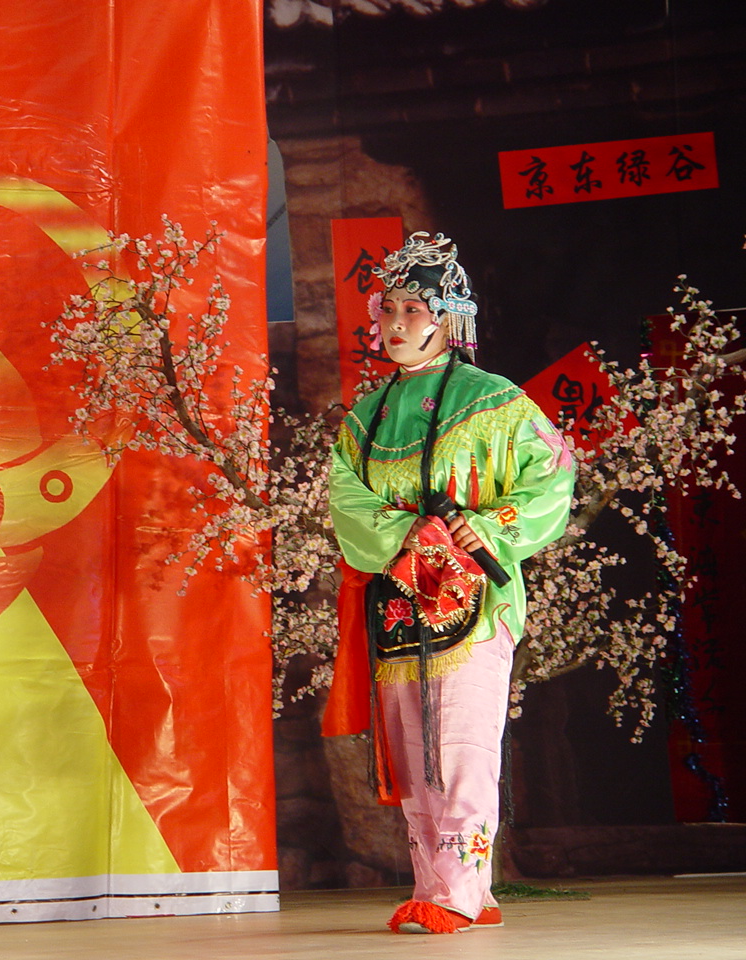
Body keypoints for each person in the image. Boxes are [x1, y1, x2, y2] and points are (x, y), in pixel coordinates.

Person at [323, 232, 574, 934]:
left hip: (473, 601)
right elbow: (345, 494)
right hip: (399, 604)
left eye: (412, 309)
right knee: (413, 752)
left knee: (459, 744)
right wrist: (400, 529)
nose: (394, 324)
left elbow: (554, 471)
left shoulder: (492, 399)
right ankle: (444, 887)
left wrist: (489, 526)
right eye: (387, 309)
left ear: (448, 318)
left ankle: (458, 890)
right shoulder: (366, 417)